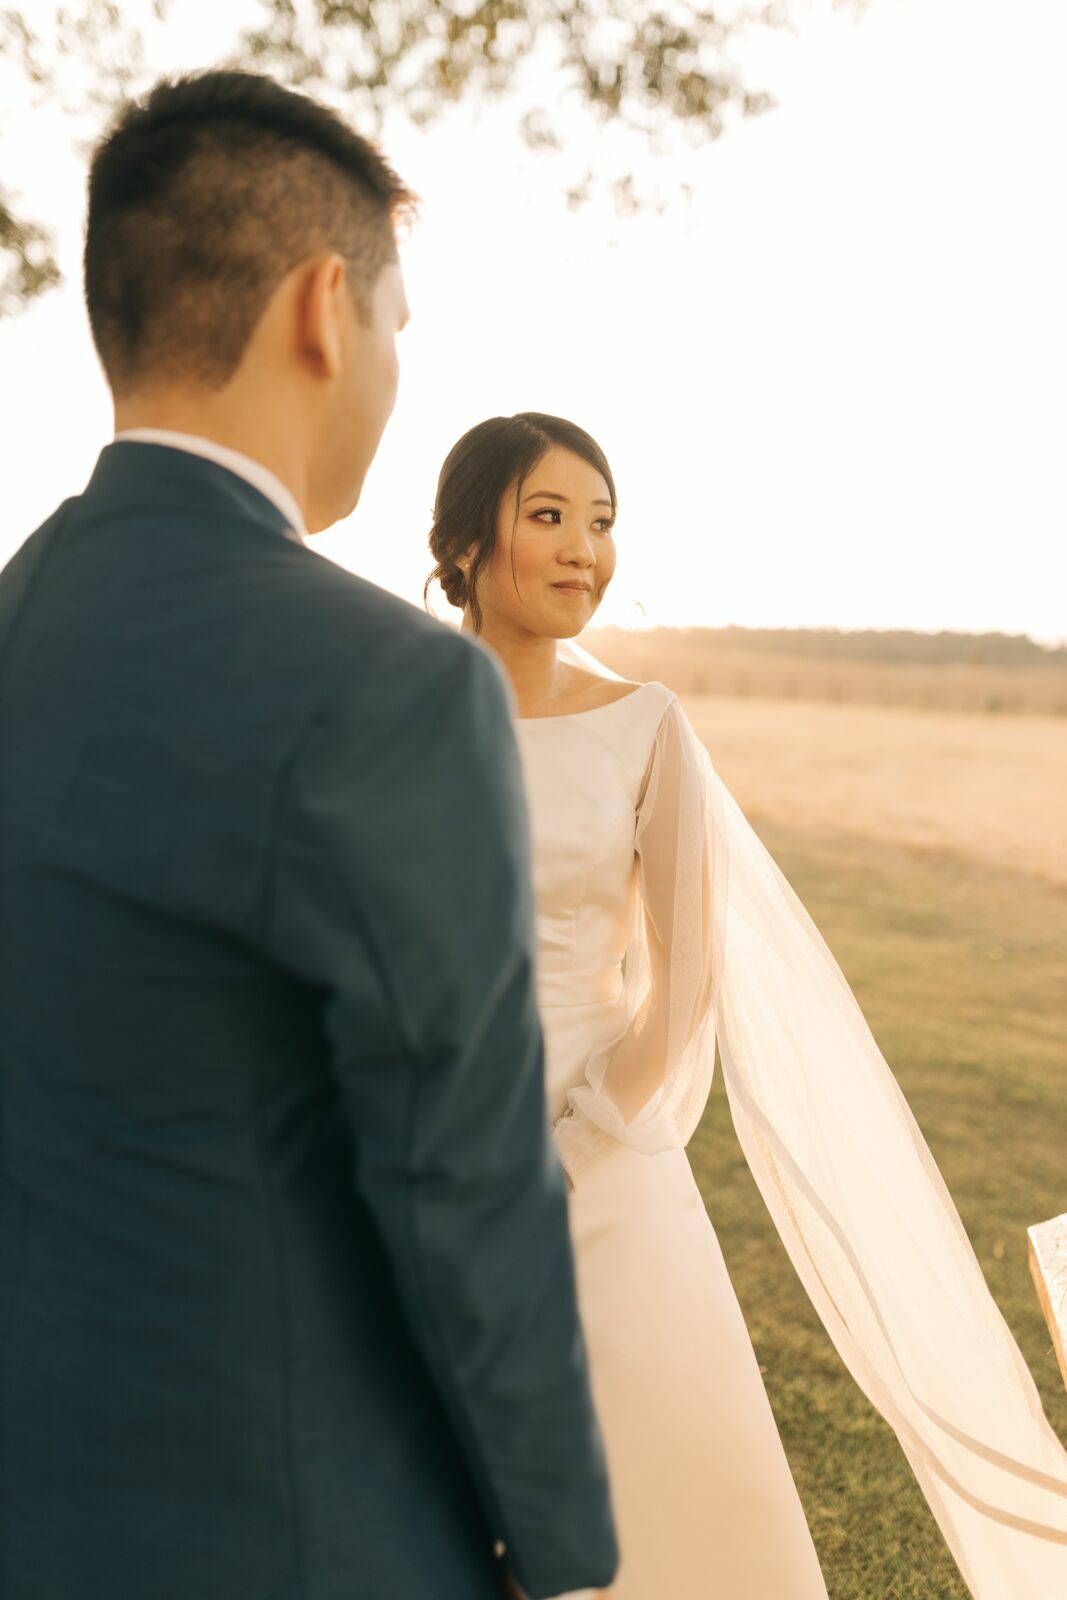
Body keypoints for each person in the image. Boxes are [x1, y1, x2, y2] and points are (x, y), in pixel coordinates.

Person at [0, 77, 617, 1600]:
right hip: (294, 1530)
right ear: (324, 308)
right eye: (399, 322)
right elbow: (460, 1177)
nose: (395, 364)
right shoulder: (391, 686)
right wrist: (562, 1552)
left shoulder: (18, 615)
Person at [426, 411, 1067, 1599]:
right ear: (465, 543)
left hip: (595, 1166)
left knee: (649, 1515)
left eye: (603, 521)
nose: (584, 550)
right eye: (549, 516)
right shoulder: (388, 714)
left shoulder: (643, 725)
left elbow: (685, 989)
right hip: (415, 1154)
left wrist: (567, 1152)